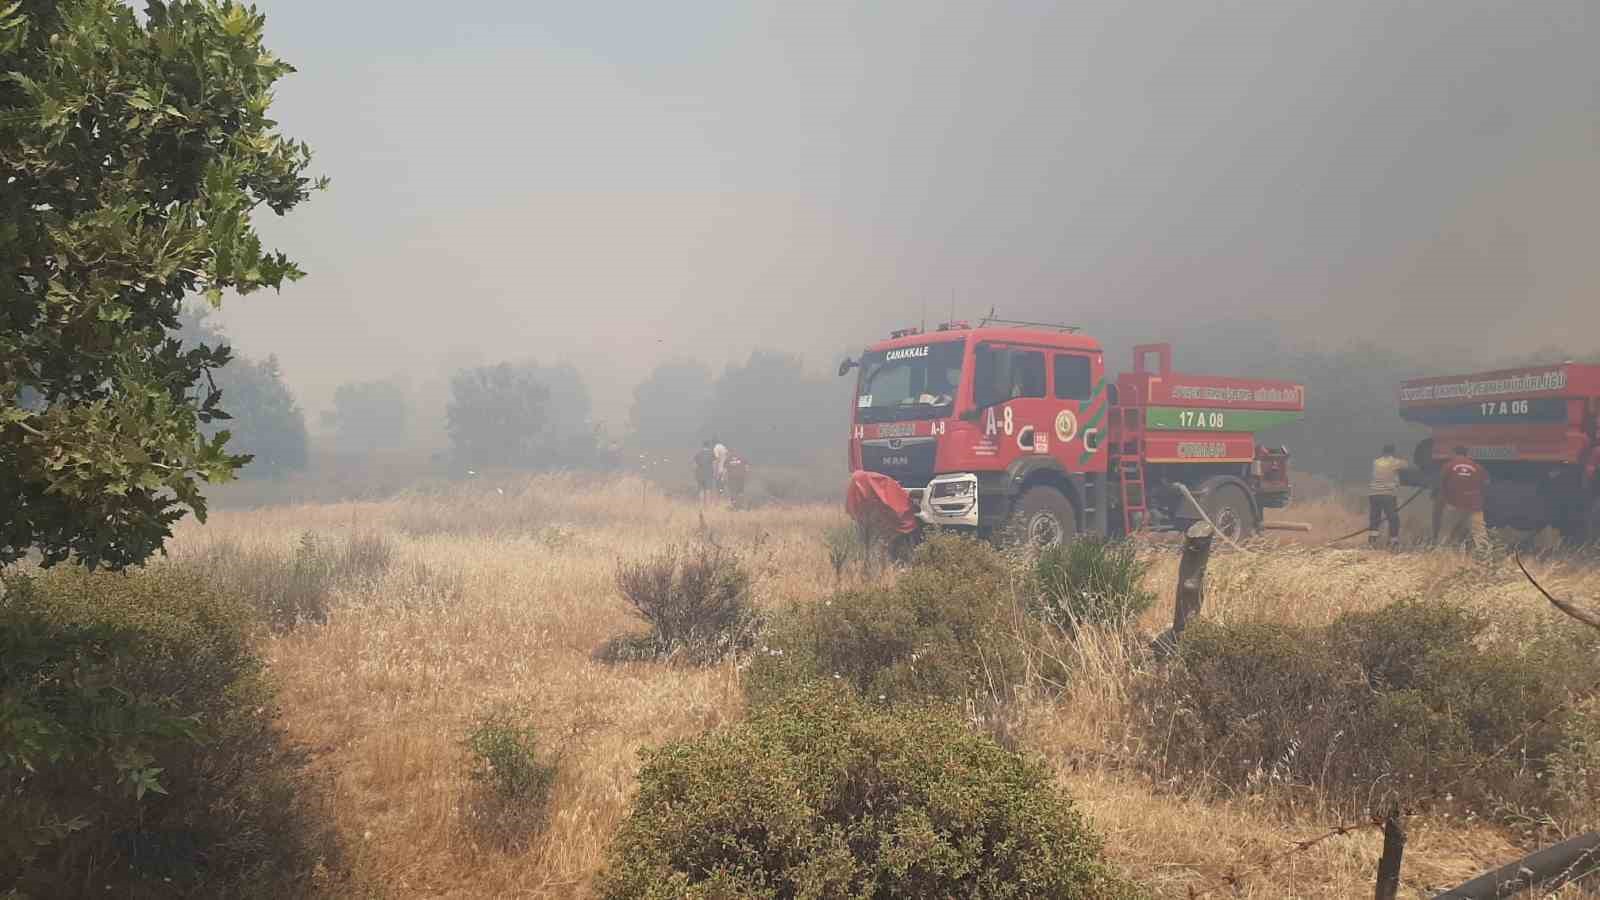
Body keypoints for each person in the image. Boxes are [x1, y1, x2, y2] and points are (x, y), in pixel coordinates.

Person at [1437, 446, 1491, 554]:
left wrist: (1445, 499)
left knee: (1446, 532)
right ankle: (1486, 557)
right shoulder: (1477, 466)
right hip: (1474, 505)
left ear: (1454, 453)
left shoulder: (1448, 465)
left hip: (1454, 504)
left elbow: (1442, 484)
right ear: (1467, 454)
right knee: (1479, 533)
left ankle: (1439, 554)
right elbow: (1486, 484)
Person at [1367, 444, 1410, 549]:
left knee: (1375, 517)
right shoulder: (1394, 462)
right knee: (1393, 519)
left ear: (1382, 451)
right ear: (1393, 452)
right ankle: (1393, 541)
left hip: (1374, 493)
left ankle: (1372, 542)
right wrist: (1399, 456)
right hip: (1387, 494)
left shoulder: (1376, 462)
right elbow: (1406, 465)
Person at [692, 440, 715, 505]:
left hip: (700, 474)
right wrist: (714, 473)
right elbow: (714, 464)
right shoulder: (711, 454)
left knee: (701, 490)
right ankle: (707, 505)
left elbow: (694, 465)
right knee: (708, 490)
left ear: (703, 446)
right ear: (708, 446)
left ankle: (701, 504)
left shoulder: (698, 454)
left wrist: (696, 473)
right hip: (708, 474)